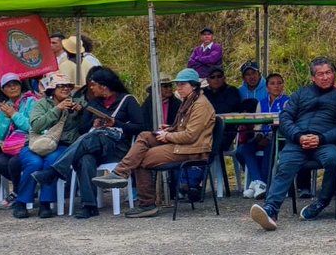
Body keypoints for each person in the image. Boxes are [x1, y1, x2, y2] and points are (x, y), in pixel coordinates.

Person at [93, 69, 217, 218]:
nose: (178, 88)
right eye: (177, 84)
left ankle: (146, 204)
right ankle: (120, 173)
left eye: (182, 85)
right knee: (145, 136)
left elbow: (190, 136)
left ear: (194, 86)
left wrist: (168, 135)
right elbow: (184, 128)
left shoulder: (200, 105)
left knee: (140, 158)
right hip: (182, 144)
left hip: (192, 150)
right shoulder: (189, 101)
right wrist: (170, 128)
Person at [250, 58, 336, 231]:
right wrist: (298, 136)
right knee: (285, 163)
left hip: (325, 142)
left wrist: (321, 138)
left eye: (328, 73)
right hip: (299, 141)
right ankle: (271, 210)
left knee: (335, 160)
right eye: (320, 74)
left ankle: (321, 203)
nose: (325, 77)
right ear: (313, 77)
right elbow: (285, 117)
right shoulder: (300, 94)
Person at [31, 67, 143, 219]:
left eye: (93, 84)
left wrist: (116, 123)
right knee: (85, 158)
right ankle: (89, 205)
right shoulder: (94, 103)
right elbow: (83, 129)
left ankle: (55, 171)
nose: (90, 88)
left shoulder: (127, 100)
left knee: (93, 139)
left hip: (117, 148)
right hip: (94, 145)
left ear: (103, 86)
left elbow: (141, 127)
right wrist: (94, 124)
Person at [15, 74, 83, 220]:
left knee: (52, 162)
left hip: (61, 145)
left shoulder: (76, 104)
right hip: (36, 144)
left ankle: (45, 203)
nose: (66, 88)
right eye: (61, 86)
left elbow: (81, 129)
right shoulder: (40, 104)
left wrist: (80, 113)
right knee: (34, 163)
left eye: (68, 86)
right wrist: (57, 109)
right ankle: (21, 202)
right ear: (52, 89)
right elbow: (37, 125)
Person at [238, 72, 288, 199]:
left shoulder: (287, 102)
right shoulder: (261, 103)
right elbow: (258, 125)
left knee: (269, 149)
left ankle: (261, 183)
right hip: (263, 137)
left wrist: (269, 137)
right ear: (267, 88)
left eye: (279, 83)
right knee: (242, 150)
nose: (276, 86)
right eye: (272, 83)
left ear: (283, 86)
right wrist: (259, 135)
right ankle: (258, 181)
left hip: (280, 138)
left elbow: (287, 124)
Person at [0, 73, 38, 203]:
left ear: (20, 86)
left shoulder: (31, 101)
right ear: (3, 90)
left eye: (15, 84)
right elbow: (0, 134)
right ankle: (23, 190)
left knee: (14, 162)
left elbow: (31, 126)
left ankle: (19, 193)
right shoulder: (4, 107)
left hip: (30, 143)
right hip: (12, 146)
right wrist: (6, 119)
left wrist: (14, 115)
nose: (13, 88)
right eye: (8, 86)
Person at [202, 67, 242, 151]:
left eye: (219, 76)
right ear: (208, 80)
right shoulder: (203, 93)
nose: (216, 79)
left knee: (213, 146)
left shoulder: (232, 91)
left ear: (224, 78)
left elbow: (226, 109)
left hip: (227, 130)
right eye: (212, 77)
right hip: (206, 130)